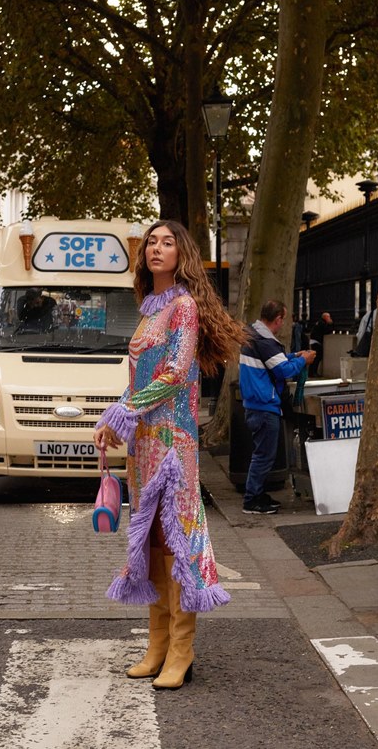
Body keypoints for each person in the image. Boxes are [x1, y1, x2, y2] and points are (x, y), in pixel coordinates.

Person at [94, 219, 246, 690]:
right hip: (142, 444)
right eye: (152, 244)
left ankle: (182, 650)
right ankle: (157, 645)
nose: (158, 249)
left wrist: (126, 409)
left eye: (168, 243)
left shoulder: (182, 306)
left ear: (181, 255)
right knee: (153, 541)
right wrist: (113, 417)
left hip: (173, 444)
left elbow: (178, 374)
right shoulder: (148, 309)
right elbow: (141, 379)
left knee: (176, 536)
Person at [239, 301, 315, 514]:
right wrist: (304, 360)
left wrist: (294, 356)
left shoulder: (253, 336)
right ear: (278, 319)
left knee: (262, 454)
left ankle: (257, 495)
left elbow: (274, 362)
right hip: (264, 406)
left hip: (256, 405)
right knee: (264, 456)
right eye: (283, 319)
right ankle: (252, 500)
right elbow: (283, 371)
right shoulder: (265, 342)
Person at [309, 311, 333, 376]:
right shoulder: (322, 323)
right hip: (316, 341)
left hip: (314, 341)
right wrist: (330, 324)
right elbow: (327, 331)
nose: (329, 318)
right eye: (328, 317)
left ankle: (312, 372)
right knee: (317, 357)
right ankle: (313, 372)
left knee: (315, 357)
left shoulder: (319, 322)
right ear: (325, 317)